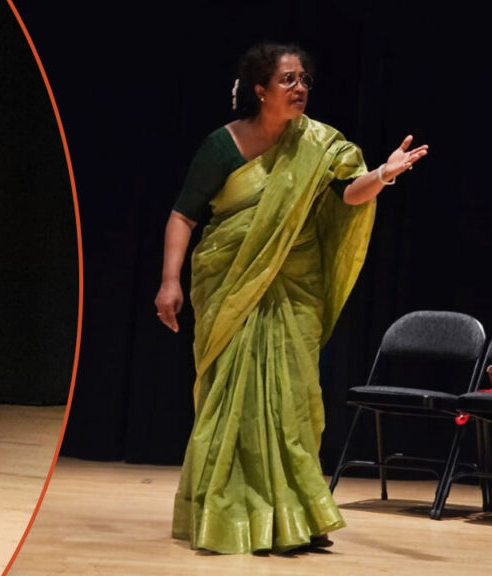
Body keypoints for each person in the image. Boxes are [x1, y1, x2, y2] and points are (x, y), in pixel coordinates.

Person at [157, 42, 427, 554]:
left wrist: (383, 175)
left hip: (296, 286)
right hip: (231, 283)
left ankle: (297, 516)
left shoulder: (319, 144)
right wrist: (170, 281)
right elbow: (183, 216)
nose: (300, 87)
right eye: (288, 80)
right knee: (231, 404)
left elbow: (348, 193)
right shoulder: (222, 147)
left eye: (304, 79)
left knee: (296, 404)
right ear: (260, 90)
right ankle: (232, 516)